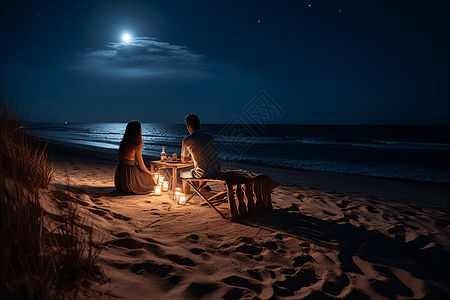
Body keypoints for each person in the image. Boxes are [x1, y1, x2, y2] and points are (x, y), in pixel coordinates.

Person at [181, 114, 221, 194]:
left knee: (183, 172)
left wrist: (190, 157)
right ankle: (203, 187)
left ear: (189, 126)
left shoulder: (187, 140)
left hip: (203, 174)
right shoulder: (209, 137)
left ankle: (186, 195)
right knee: (200, 167)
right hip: (217, 171)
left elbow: (184, 160)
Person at [114, 120, 156, 194]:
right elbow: (141, 164)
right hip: (129, 179)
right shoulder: (136, 145)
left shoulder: (123, 143)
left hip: (119, 179)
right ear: (137, 131)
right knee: (149, 179)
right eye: (140, 128)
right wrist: (150, 174)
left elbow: (121, 158)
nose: (141, 130)